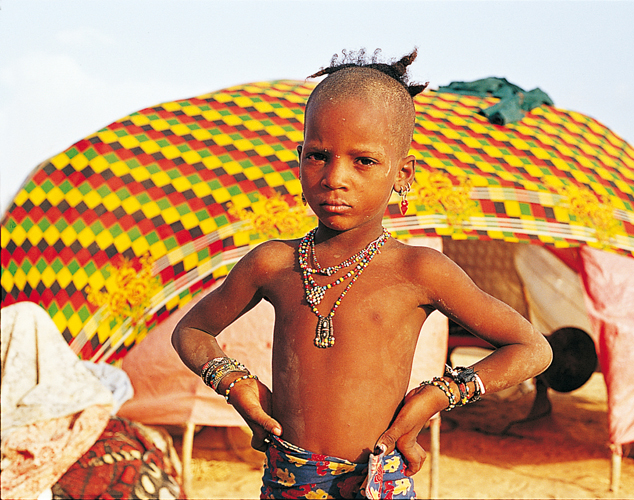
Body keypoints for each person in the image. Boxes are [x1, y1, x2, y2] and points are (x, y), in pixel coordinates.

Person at [172, 48, 553, 499]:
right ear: (298, 159)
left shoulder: (419, 269)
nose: (335, 177)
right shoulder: (272, 263)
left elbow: (531, 349)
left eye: (364, 161)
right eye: (318, 156)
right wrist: (235, 384)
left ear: (402, 173)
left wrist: (435, 397)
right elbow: (192, 331)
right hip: (287, 481)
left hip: (377, 480)